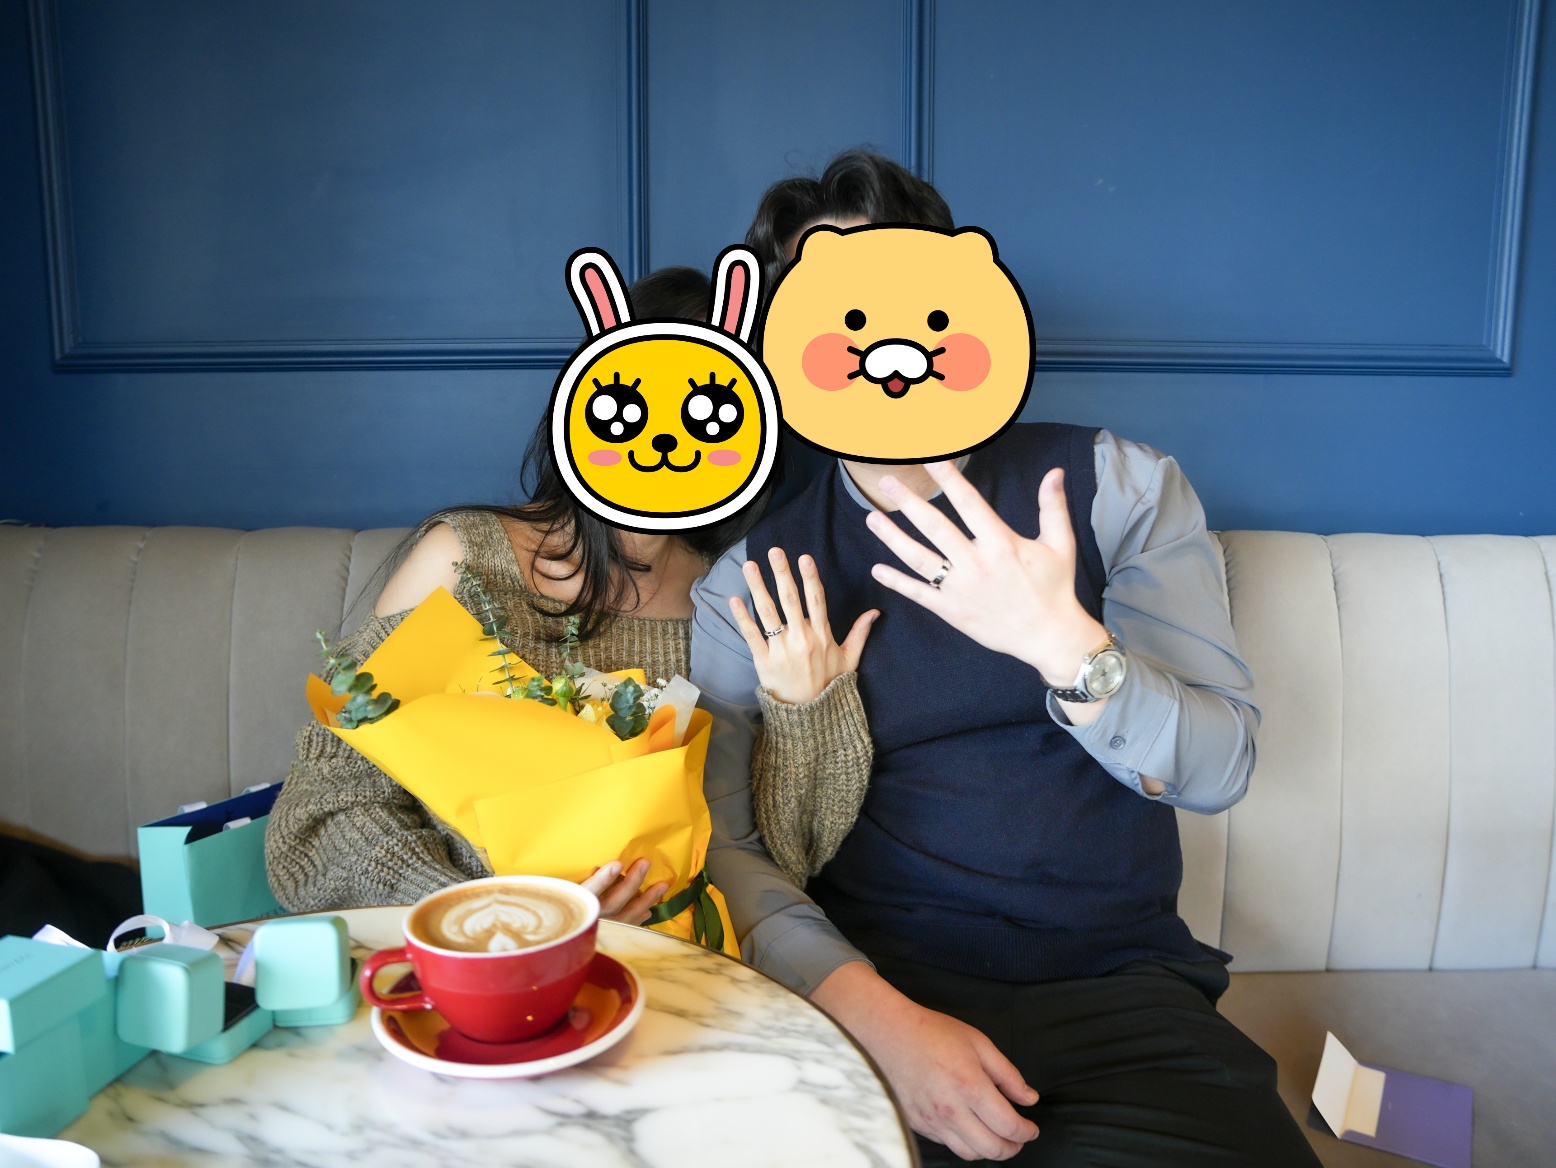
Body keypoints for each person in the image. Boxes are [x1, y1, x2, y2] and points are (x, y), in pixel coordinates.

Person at [691, 150, 1322, 1165]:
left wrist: (1060, 641)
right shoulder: (751, 577)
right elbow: (722, 846)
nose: (883, 342)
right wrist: (875, 1020)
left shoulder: (1115, 487)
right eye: (838, 312)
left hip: (1121, 993)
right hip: (878, 990)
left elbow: (1219, 768)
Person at [266, 267, 808, 926]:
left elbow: (773, 852)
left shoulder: (728, 602)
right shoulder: (466, 561)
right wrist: (498, 912)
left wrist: (806, 707)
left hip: (670, 954)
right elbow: (319, 814)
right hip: (462, 948)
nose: (668, 439)